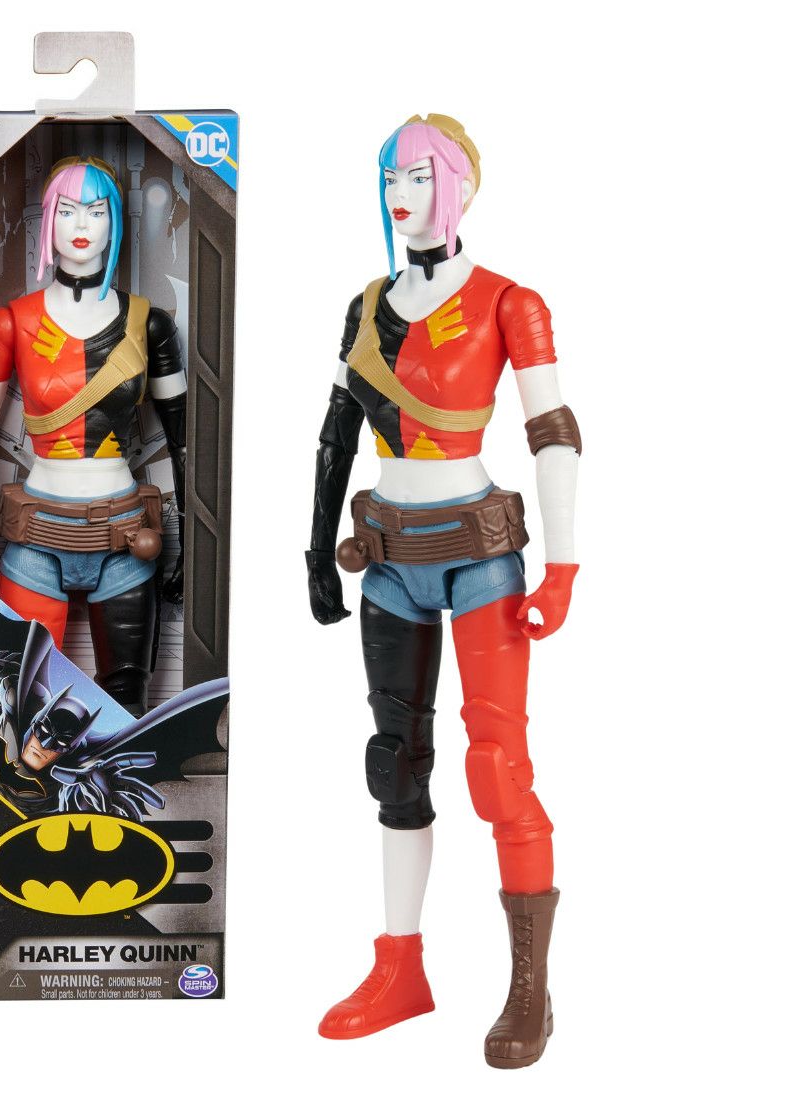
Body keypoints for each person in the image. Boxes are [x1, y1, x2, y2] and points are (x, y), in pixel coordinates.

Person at [306, 114, 581, 1069]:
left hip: (479, 557)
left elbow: (553, 429)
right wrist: (315, 552)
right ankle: (400, 970)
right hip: (389, 559)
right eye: (392, 176)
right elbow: (337, 434)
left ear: (459, 184)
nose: (403, 193)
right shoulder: (367, 305)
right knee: (396, 766)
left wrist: (564, 564)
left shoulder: (511, 301)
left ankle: (529, 989)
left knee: (499, 770)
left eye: (421, 176)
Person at [0, 156, 186, 717]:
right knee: (20, 700)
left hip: (124, 536)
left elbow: (183, 442)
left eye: (96, 211)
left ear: (115, 220)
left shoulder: (150, 325)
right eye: (67, 210)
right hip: (36, 533)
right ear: (48, 218)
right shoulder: (11, 323)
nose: (81, 225)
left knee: (126, 708)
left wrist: (190, 543)